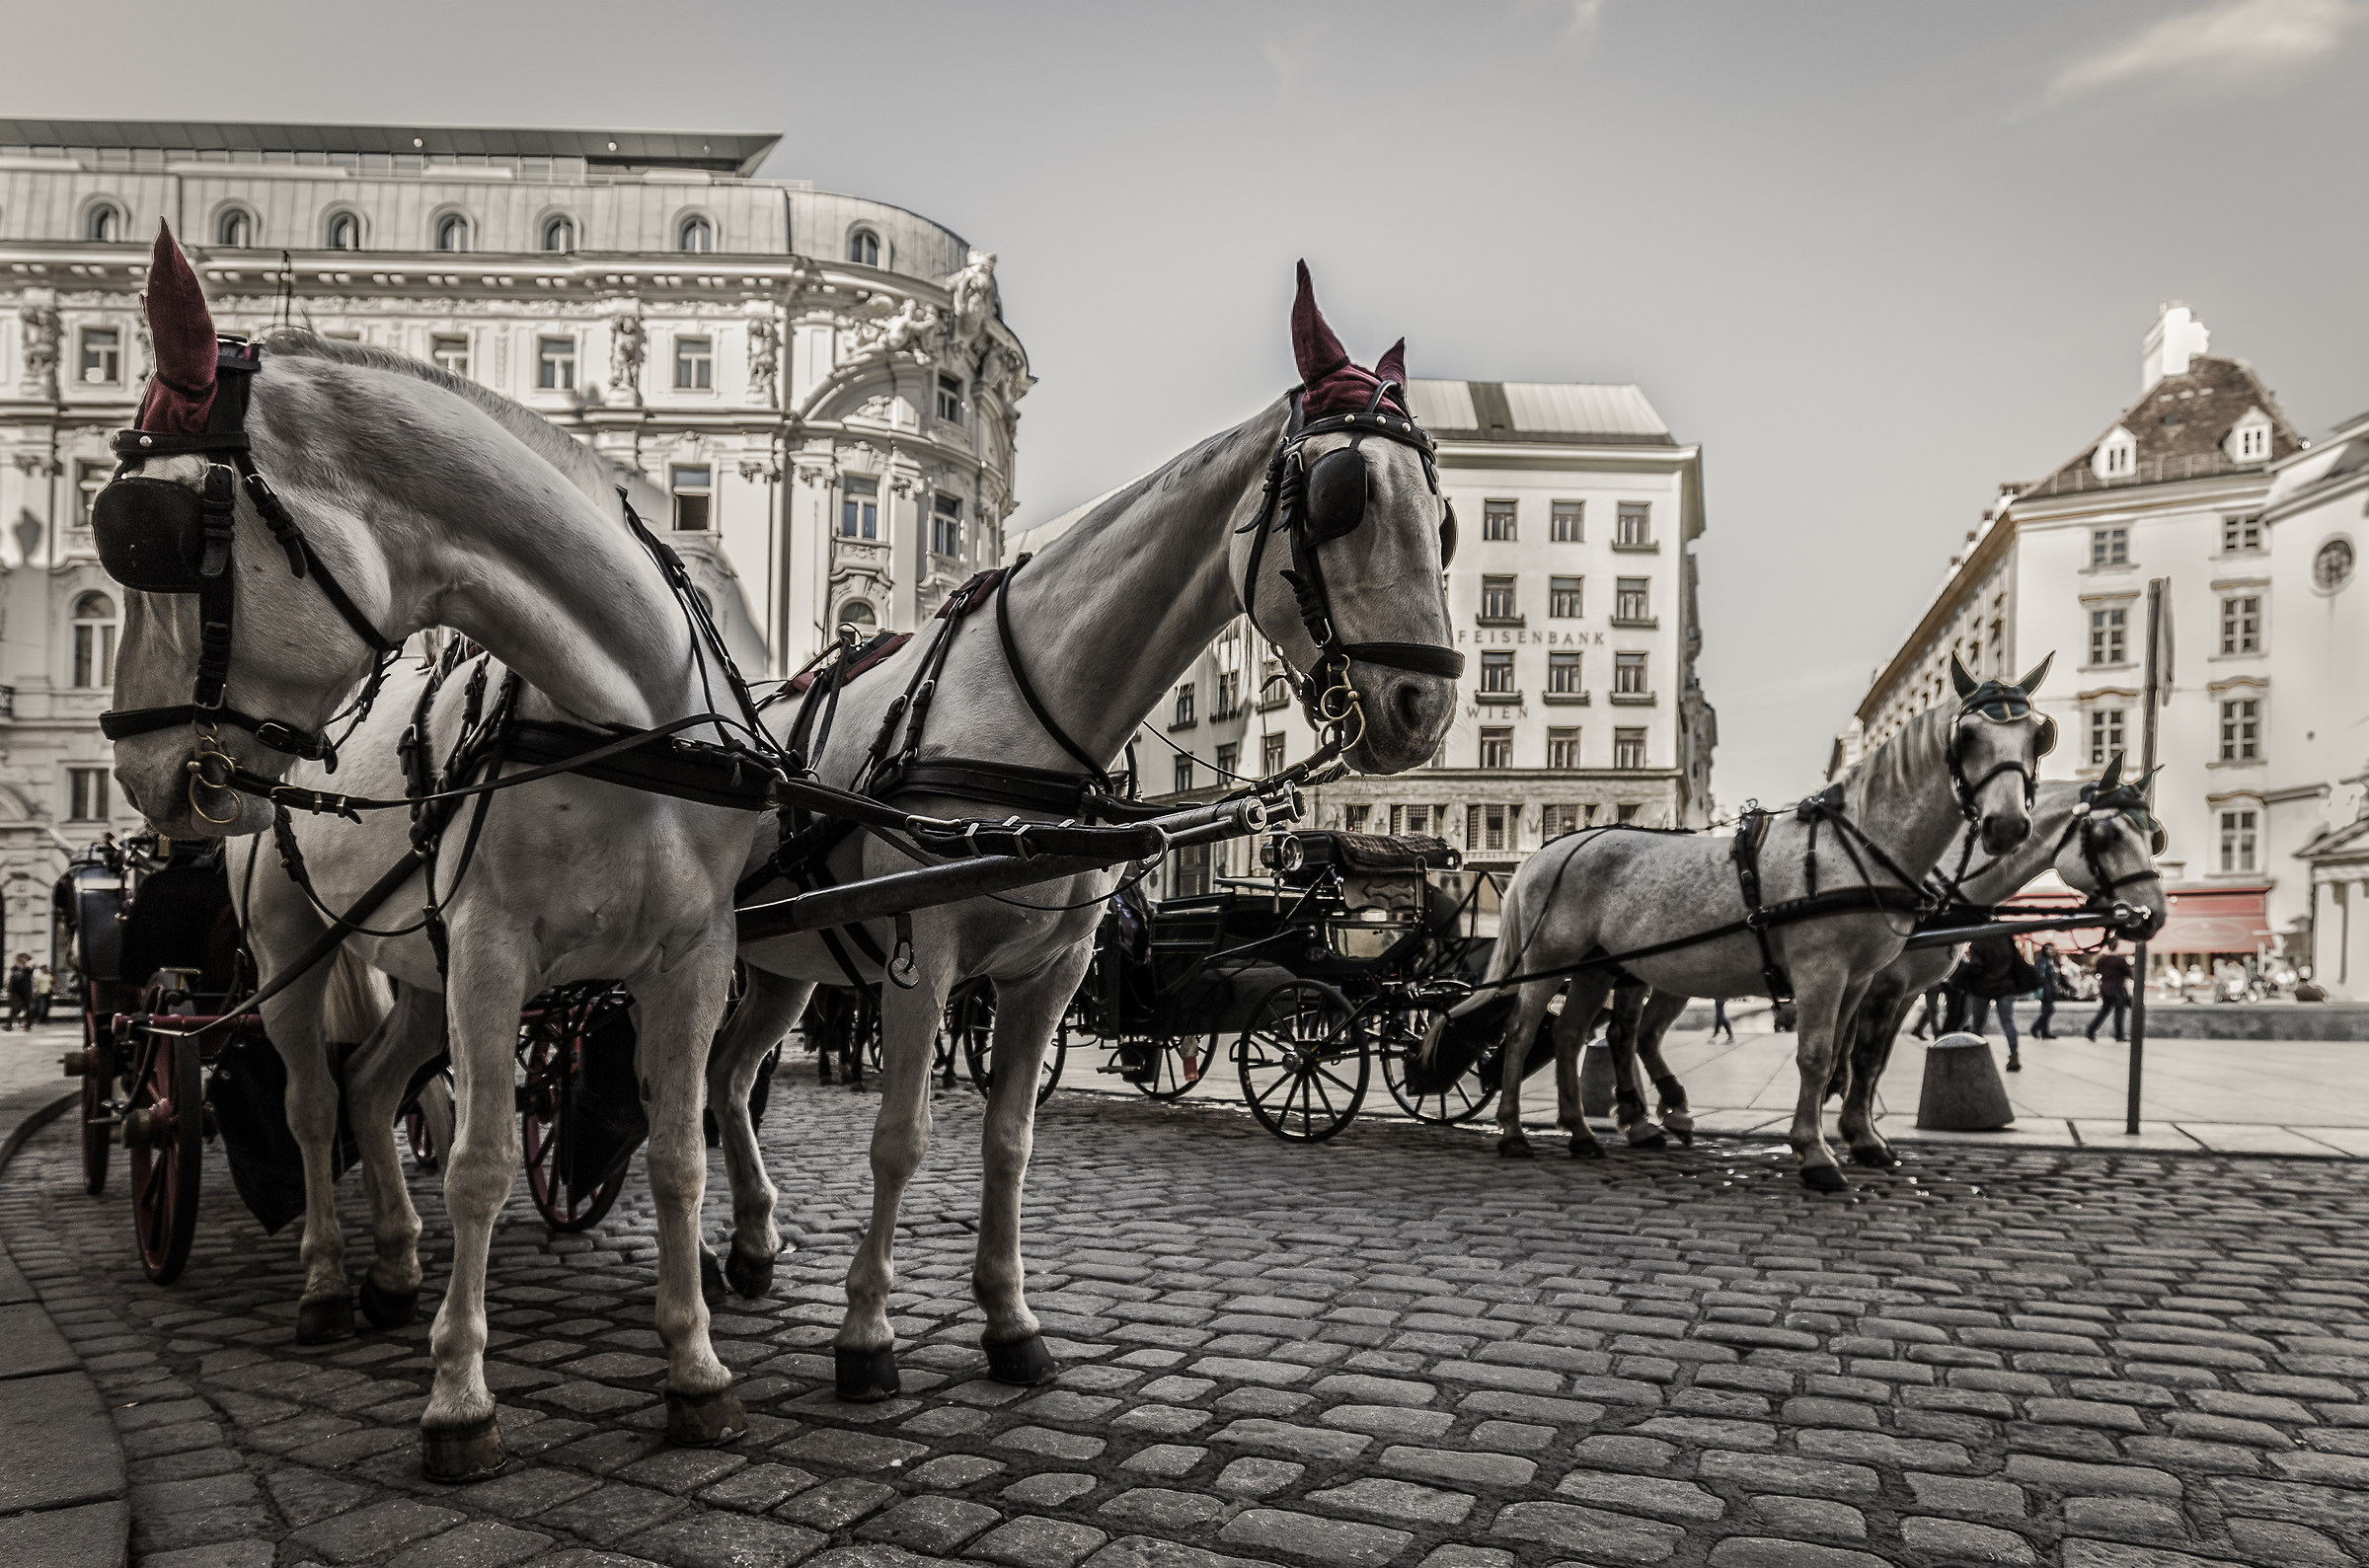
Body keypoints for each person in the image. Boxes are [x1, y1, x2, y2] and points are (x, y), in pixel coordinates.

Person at [2087, 941, 2134, 1042]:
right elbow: (2129, 973)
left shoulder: (2102, 960)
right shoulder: (2120, 960)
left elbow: (2097, 972)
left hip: (2105, 988)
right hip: (2117, 988)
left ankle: (2091, 1030)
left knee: (2104, 1010)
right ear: (2117, 946)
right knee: (2119, 1011)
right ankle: (2119, 1034)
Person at [2031, 944, 2061, 1040]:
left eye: (2053, 949)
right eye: (2049, 949)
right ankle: (2035, 1028)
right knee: (2049, 1010)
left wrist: (2068, 987)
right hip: (2044, 990)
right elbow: (2037, 974)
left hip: (2052, 989)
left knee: (2047, 1010)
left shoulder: (2055, 962)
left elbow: (2060, 977)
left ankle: (2044, 1032)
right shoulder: (2041, 961)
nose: (2052, 951)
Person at [4, 955, 31, 1031]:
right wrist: (7, 984)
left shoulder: (29, 968)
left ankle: (28, 1025)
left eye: (24, 958)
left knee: (28, 1007)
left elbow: (31, 967)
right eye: (20, 958)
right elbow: (11, 976)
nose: (22, 960)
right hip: (15, 990)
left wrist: (25, 965)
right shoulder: (14, 967)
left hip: (26, 990)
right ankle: (9, 1025)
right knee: (14, 1007)